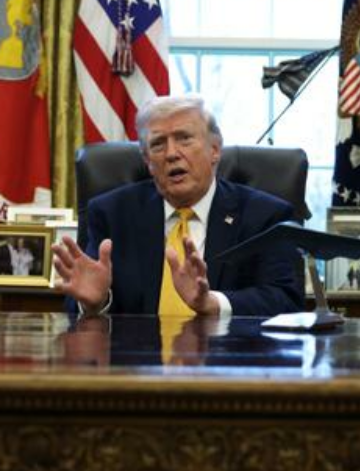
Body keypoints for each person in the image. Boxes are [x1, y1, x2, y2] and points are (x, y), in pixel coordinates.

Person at [52, 95, 304, 317]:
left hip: (227, 354)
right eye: (158, 144)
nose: (171, 153)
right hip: (135, 355)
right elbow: (81, 301)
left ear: (215, 150)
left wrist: (213, 303)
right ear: (147, 161)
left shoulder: (265, 217)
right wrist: (96, 303)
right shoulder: (111, 214)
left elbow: (287, 301)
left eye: (184, 139)